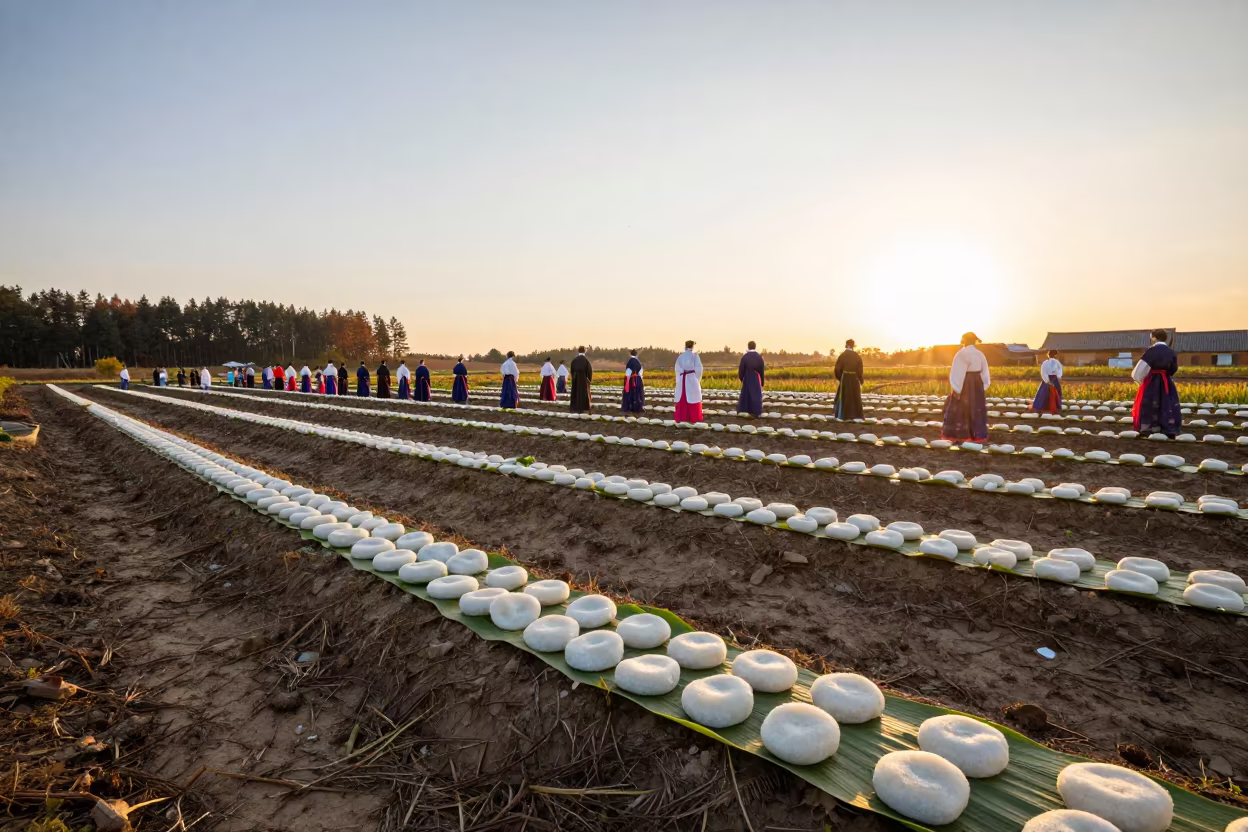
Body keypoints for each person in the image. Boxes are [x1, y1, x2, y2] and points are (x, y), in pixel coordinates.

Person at [941, 332, 992, 442]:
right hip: (977, 383)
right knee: (976, 408)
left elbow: (958, 373)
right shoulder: (980, 354)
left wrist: (957, 389)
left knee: (961, 409)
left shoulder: (961, 354)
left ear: (964, 341)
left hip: (965, 383)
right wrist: (982, 386)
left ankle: (962, 435)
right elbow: (985, 373)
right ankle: (977, 435)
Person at [1131, 329, 1182, 438]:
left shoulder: (1151, 351)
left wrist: (1141, 381)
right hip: (1166, 381)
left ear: (1154, 338)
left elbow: (1138, 371)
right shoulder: (1171, 352)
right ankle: (1167, 428)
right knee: (1166, 403)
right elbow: (1173, 369)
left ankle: (1149, 428)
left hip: (1152, 381)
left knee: (1149, 404)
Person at [673, 340, 704, 423]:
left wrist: (680, 377)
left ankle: (683, 416)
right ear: (693, 346)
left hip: (683, 379)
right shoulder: (695, 356)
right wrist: (697, 379)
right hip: (692, 377)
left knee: (683, 396)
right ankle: (693, 417)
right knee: (693, 397)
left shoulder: (681, 356)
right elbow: (699, 368)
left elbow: (677, 368)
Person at [833, 339, 865, 420]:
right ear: (853, 346)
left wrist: (840, 378)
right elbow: (860, 370)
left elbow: (837, 369)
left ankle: (844, 415)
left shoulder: (842, 356)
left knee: (845, 397)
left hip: (845, 378)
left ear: (846, 345)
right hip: (854, 378)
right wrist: (861, 380)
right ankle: (856, 415)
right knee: (855, 397)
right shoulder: (857, 356)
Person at [736, 342, 765, 417]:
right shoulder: (759, 357)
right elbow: (762, 370)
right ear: (755, 347)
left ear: (748, 347)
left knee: (746, 395)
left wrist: (741, 378)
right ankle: (756, 411)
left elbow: (741, 369)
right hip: (756, 378)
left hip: (747, 378)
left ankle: (745, 410)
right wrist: (762, 382)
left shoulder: (745, 357)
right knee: (756, 395)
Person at [1031, 349, 1063, 414]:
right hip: (1053, 379)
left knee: (1046, 393)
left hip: (1050, 379)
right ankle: (1054, 407)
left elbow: (1043, 372)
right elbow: (1059, 370)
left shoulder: (1047, 363)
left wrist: (1047, 380)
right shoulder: (1054, 362)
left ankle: (1045, 407)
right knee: (1049, 393)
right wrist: (1052, 379)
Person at [569, 347, 592, 413]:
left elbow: (572, 370)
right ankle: (583, 407)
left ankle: (574, 407)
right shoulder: (585, 360)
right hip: (583, 378)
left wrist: (573, 377)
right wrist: (589, 379)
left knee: (575, 392)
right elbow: (589, 370)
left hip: (575, 377)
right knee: (582, 392)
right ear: (584, 351)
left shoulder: (574, 360)